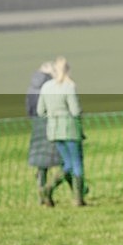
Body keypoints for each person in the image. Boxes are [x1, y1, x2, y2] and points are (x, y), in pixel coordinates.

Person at [37, 56, 86, 207]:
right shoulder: (69, 86)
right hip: (70, 128)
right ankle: (77, 198)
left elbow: (40, 111)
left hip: (54, 130)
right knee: (75, 164)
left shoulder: (46, 87)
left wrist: (53, 117)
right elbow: (75, 110)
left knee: (67, 163)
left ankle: (47, 189)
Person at [26, 61, 65, 205]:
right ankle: (77, 191)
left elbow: (29, 110)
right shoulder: (51, 86)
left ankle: (41, 192)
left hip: (37, 125)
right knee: (64, 159)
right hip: (53, 124)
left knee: (41, 162)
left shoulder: (31, 88)